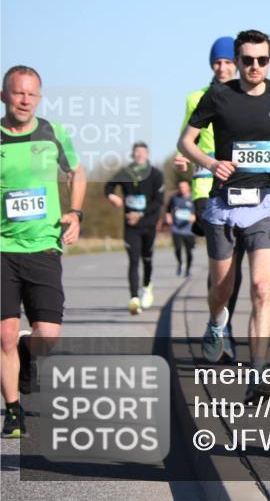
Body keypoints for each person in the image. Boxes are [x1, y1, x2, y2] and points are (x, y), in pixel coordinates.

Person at [178, 29, 270, 404]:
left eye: (262, 60)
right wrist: (212, 164)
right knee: (223, 290)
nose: (255, 67)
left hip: (264, 204)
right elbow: (185, 142)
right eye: (247, 60)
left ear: (268, 59)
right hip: (223, 206)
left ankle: (258, 372)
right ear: (239, 60)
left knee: (262, 289)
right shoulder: (219, 95)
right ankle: (216, 324)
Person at [1, 66, 87, 439]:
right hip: (2, 249)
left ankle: (29, 353)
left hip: (44, 247)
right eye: (17, 93)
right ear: (4, 95)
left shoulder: (53, 133)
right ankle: (12, 410)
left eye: (31, 94)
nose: (24, 99)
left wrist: (75, 213)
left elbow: (78, 173)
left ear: (39, 97)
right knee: (3, 335)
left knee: (47, 335)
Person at [174, 37, 243, 362]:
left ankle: (221, 324)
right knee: (221, 260)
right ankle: (220, 326)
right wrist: (183, 157)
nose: (223, 66)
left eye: (228, 61)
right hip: (206, 185)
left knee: (235, 266)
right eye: (218, 62)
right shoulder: (196, 97)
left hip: (241, 185)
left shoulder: (248, 97)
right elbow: (186, 138)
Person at [105, 141, 164, 315]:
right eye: (136, 152)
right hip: (130, 225)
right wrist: (112, 196)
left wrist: (141, 214)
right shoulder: (125, 172)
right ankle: (134, 299)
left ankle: (146, 286)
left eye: (142, 152)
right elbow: (108, 185)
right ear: (133, 154)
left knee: (147, 258)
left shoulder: (156, 174)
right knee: (133, 260)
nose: (139, 155)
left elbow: (158, 202)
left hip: (148, 224)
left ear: (147, 154)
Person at [165, 178, 197, 278]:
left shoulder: (193, 198)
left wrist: (195, 217)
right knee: (178, 248)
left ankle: (188, 270)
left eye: (184, 187)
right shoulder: (174, 198)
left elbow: (199, 211)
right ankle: (179, 263)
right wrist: (168, 216)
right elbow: (168, 209)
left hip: (189, 229)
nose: (182, 189)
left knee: (189, 251)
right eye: (180, 187)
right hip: (176, 228)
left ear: (188, 187)